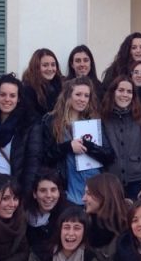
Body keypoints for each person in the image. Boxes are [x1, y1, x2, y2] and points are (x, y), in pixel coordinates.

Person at [34, 76, 114, 204]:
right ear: (68, 96)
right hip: (69, 191)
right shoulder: (51, 121)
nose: (82, 99)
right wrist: (68, 147)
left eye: (86, 96)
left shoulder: (93, 120)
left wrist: (88, 146)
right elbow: (45, 156)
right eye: (78, 94)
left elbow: (109, 155)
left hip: (95, 190)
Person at [102, 74, 141, 201]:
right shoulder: (104, 117)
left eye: (129, 92)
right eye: (121, 90)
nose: (125, 95)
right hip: (112, 181)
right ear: (113, 92)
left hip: (137, 181)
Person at [0, 73, 33, 191]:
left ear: (19, 98)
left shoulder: (28, 124)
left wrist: (24, 195)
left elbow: (32, 164)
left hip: (14, 190)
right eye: (3, 95)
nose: (7, 99)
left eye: (12, 95)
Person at [81, 173, 130, 261]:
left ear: (103, 195)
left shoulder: (131, 221)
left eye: (88, 193)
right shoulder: (84, 222)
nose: (83, 199)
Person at [23, 168, 74, 259]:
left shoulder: (69, 215)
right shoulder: (24, 213)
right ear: (35, 194)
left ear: (59, 192)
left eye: (53, 190)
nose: (49, 195)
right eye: (43, 190)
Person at [21, 48, 64, 123]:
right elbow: (31, 117)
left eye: (53, 65)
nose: (50, 69)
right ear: (36, 67)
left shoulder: (61, 85)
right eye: (45, 65)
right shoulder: (27, 89)